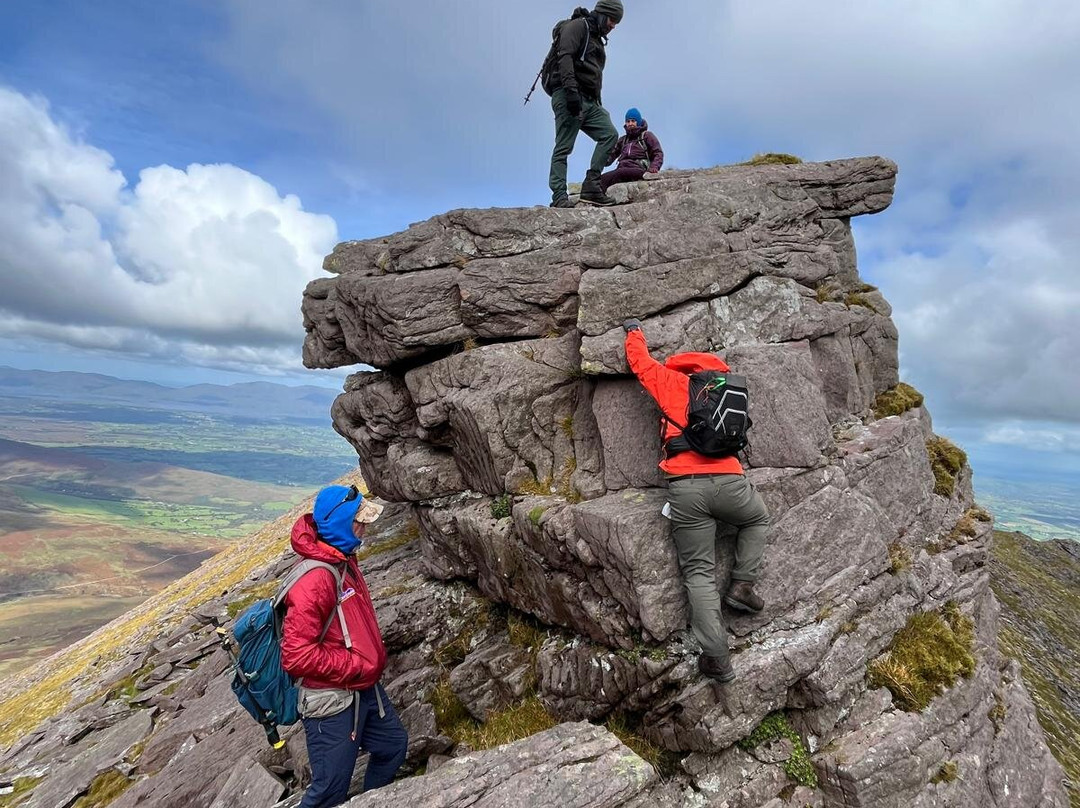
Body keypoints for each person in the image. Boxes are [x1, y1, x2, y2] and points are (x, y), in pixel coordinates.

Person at [622, 320, 771, 684]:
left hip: (686, 487)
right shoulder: (726, 388)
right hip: (731, 482)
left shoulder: (670, 381)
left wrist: (633, 331)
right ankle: (742, 585)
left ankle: (718, 659)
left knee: (699, 575)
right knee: (757, 519)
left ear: (680, 365)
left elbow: (639, 362)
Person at [281, 484, 408, 807]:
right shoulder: (317, 579)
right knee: (328, 791)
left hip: (364, 689)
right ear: (340, 524)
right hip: (333, 700)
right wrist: (356, 666)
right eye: (358, 521)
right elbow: (296, 655)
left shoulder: (343, 558)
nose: (365, 526)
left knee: (392, 746)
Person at [542, 1, 624, 208]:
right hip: (568, 95)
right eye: (612, 20)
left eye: (616, 22)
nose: (613, 26)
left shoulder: (597, 38)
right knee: (564, 146)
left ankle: (591, 186)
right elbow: (565, 57)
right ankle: (559, 196)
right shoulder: (578, 26)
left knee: (609, 134)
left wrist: (597, 102)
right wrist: (570, 94)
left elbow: (594, 76)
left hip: (590, 101)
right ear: (603, 14)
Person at [600, 107, 664, 192]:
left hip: (639, 169)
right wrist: (600, 160)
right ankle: (599, 198)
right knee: (601, 179)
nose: (630, 124)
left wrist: (654, 167)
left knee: (619, 173)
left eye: (633, 121)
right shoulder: (623, 140)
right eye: (628, 121)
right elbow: (611, 156)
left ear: (638, 122)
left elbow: (658, 153)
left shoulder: (646, 136)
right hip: (622, 169)